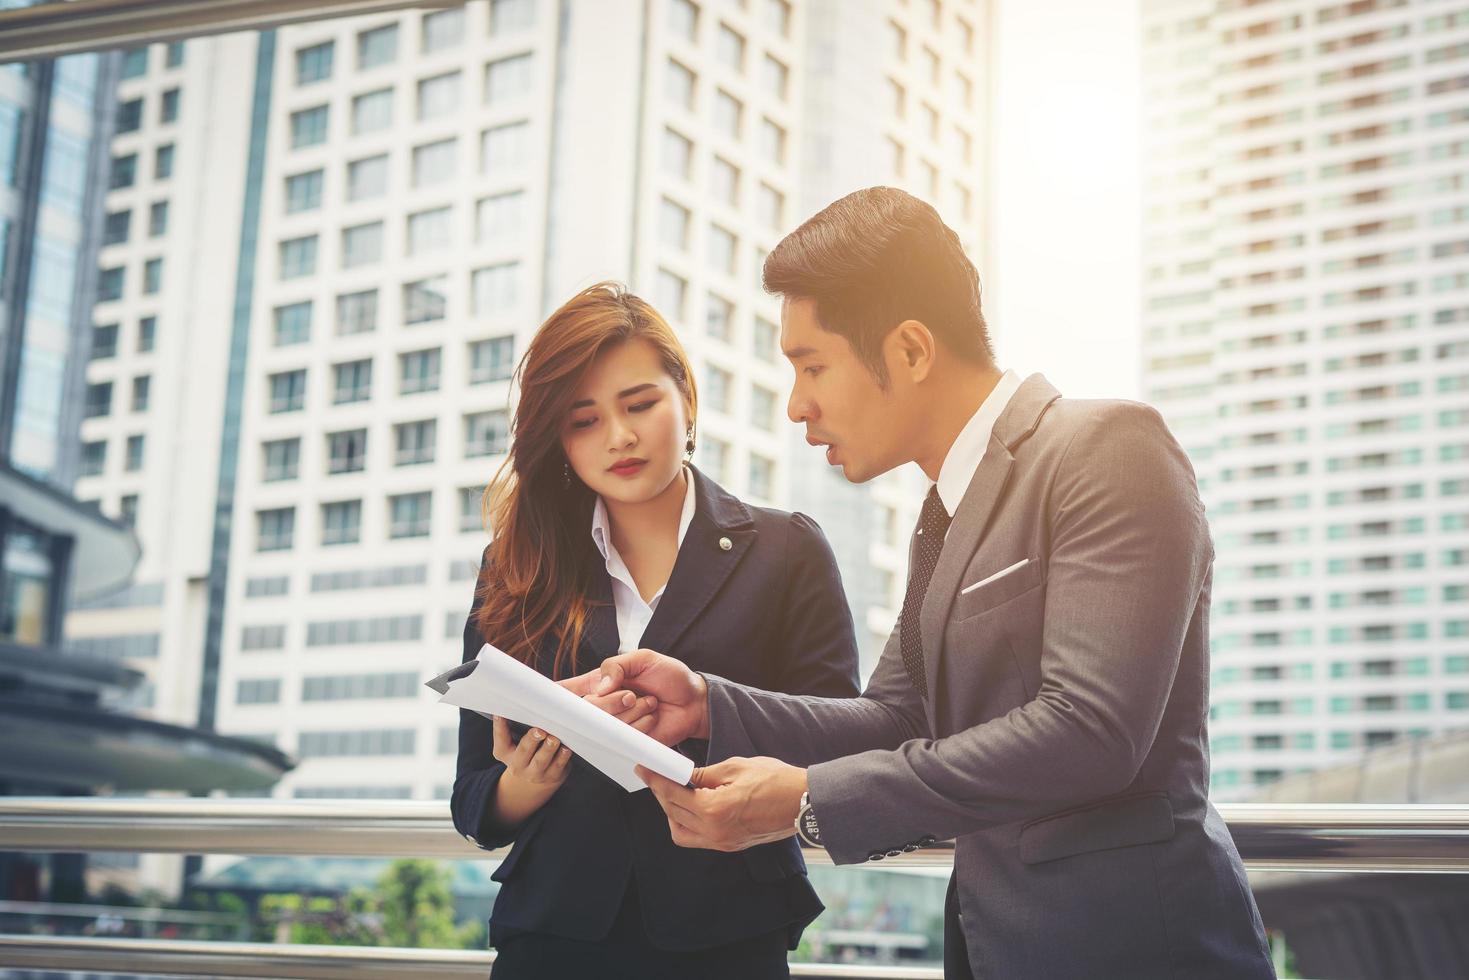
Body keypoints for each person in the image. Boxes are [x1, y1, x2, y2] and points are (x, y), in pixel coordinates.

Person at [569, 189, 1278, 979]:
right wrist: (708, 702)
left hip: (1139, 952)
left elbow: (1091, 731)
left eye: (812, 365)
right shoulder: (943, 514)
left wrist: (808, 800)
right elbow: (898, 718)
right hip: (993, 951)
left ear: (908, 350)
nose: (798, 404)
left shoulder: (1107, 449)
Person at [450, 282, 860, 980]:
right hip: (555, 937)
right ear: (558, 440)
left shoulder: (786, 551)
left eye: (640, 405)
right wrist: (529, 778)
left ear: (686, 401)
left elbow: (837, 737)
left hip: (727, 932)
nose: (620, 436)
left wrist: (704, 714)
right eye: (583, 421)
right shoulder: (519, 565)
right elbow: (473, 797)